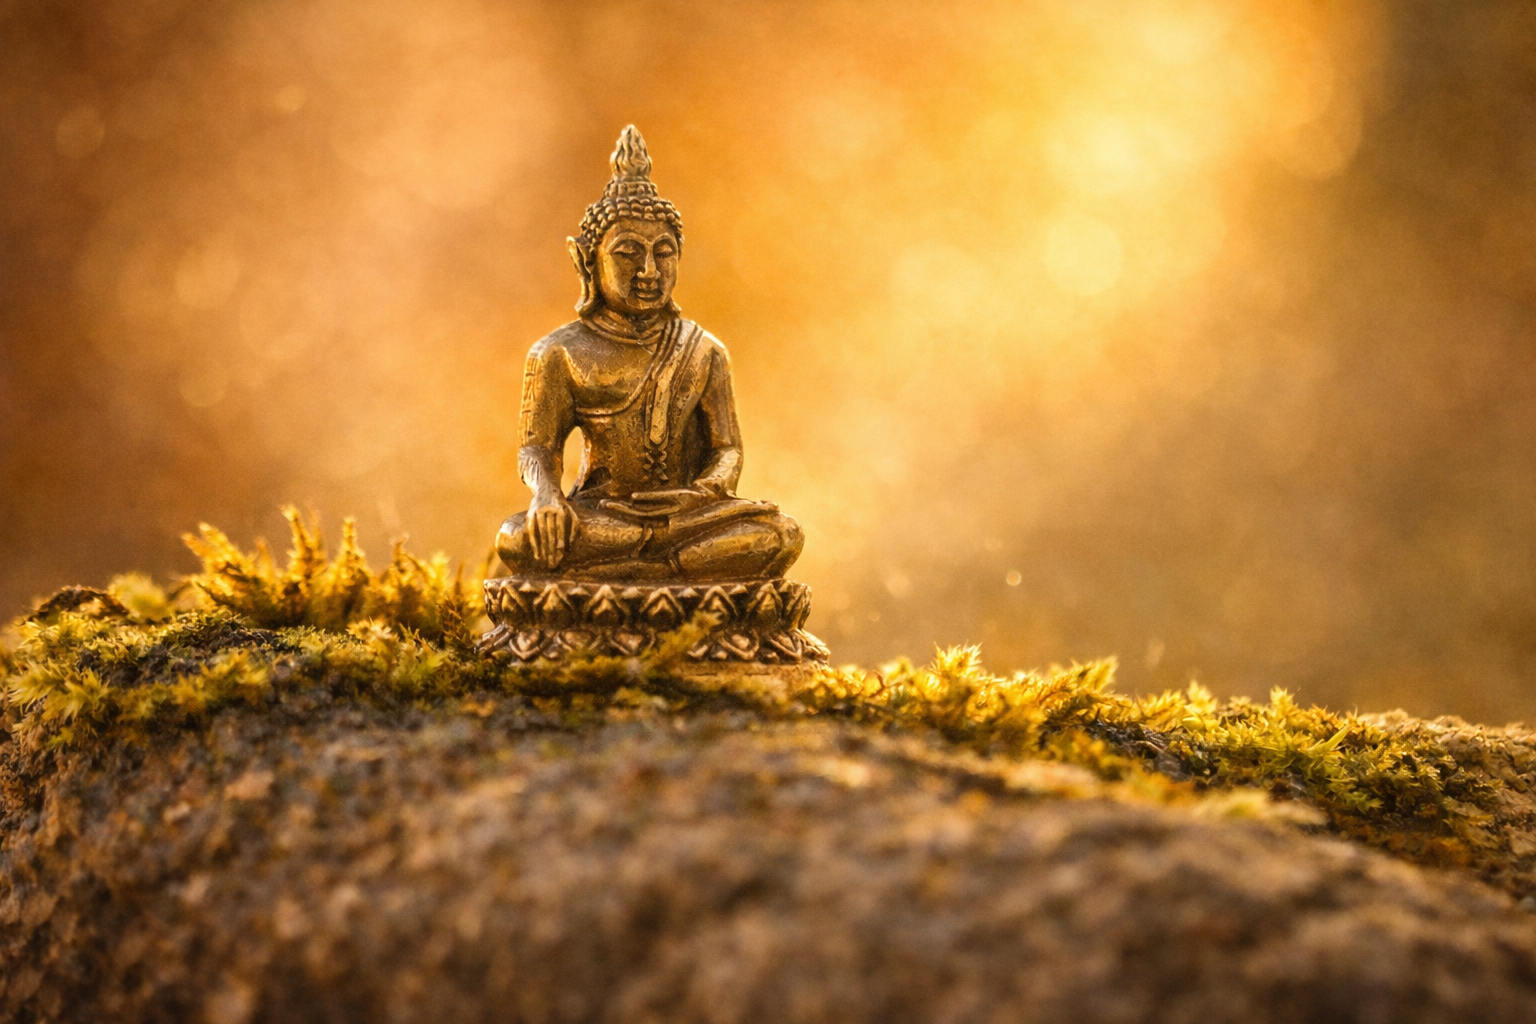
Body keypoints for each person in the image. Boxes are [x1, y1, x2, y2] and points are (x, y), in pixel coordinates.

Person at [496, 126, 803, 581]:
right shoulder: (559, 352)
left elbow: (728, 448)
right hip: (603, 518)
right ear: (586, 261)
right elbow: (537, 448)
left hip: (687, 521)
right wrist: (547, 496)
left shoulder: (704, 350)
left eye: (663, 253)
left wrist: (704, 493)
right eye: (628, 253)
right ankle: (670, 575)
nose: (648, 271)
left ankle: (639, 573)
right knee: (516, 537)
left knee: (780, 534)